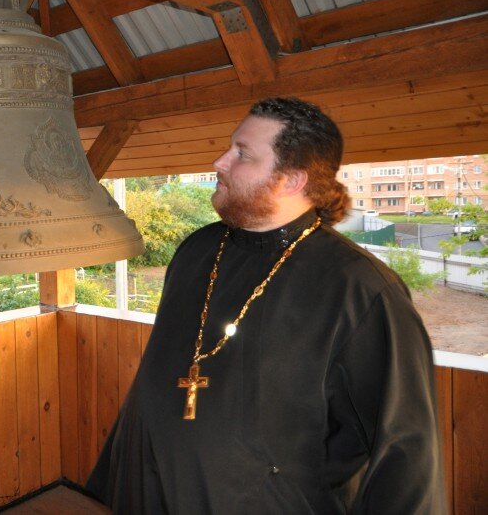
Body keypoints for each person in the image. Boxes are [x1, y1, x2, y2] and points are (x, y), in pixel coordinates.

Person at [87, 98, 446, 513]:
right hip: (145, 494)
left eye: (242, 154)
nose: (219, 161)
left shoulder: (360, 290)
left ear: (291, 180)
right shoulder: (197, 249)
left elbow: (405, 452)